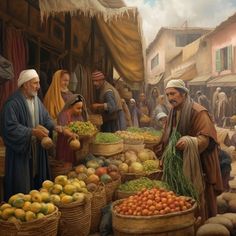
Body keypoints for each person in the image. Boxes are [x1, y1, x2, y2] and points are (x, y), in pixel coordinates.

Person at [158, 79, 223, 221]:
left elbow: (205, 139)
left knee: (200, 196)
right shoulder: (173, 112)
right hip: (181, 162)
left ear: (183, 94)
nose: (170, 98)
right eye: (168, 95)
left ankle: (203, 223)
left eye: (173, 94)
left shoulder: (198, 112)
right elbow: (167, 134)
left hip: (200, 164)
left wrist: (190, 141)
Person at [0, 69, 61, 201]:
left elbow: (46, 118)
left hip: (37, 152)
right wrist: (32, 132)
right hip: (21, 153)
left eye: (38, 83)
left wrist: (56, 127)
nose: (39, 86)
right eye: (35, 83)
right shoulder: (12, 103)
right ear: (25, 84)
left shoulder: (36, 100)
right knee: (21, 189)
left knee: (37, 183)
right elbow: (9, 128)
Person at [56, 94, 88, 165]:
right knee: (64, 162)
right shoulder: (63, 115)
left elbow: (82, 125)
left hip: (75, 142)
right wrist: (71, 134)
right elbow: (63, 129)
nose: (80, 110)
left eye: (81, 108)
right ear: (71, 106)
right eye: (78, 108)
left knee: (73, 162)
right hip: (64, 143)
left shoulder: (78, 115)